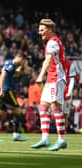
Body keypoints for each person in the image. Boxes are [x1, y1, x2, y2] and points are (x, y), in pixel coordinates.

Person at [31, 19, 67, 151]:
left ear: (49, 30)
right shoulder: (53, 41)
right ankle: (45, 138)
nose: (40, 32)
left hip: (56, 79)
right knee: (43, 106)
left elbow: (48, 60)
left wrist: (40, 76)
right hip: (52, 79)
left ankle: (61, 140)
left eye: (42, 30)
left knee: (55, 107)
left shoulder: (52, 43)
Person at [0, 52, 26, 142]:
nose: (23, 63)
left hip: (0, 91)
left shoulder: (11, 65)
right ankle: (16, 134)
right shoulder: (10, 64)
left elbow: (14, 74)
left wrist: (20, 68)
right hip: (6, 90)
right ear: (20, 58)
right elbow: (2, 75)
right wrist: (2, 89)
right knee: (17, 111)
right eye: (23, 61)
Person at [63, 59, 77, 127]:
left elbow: (72, 80)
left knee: (65, 114)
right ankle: (59, 130)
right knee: (58, 113)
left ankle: (64, 131)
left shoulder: (69, 65)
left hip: (67, 92)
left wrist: (69, 92)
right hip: (58, 92)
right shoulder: (55, 63)